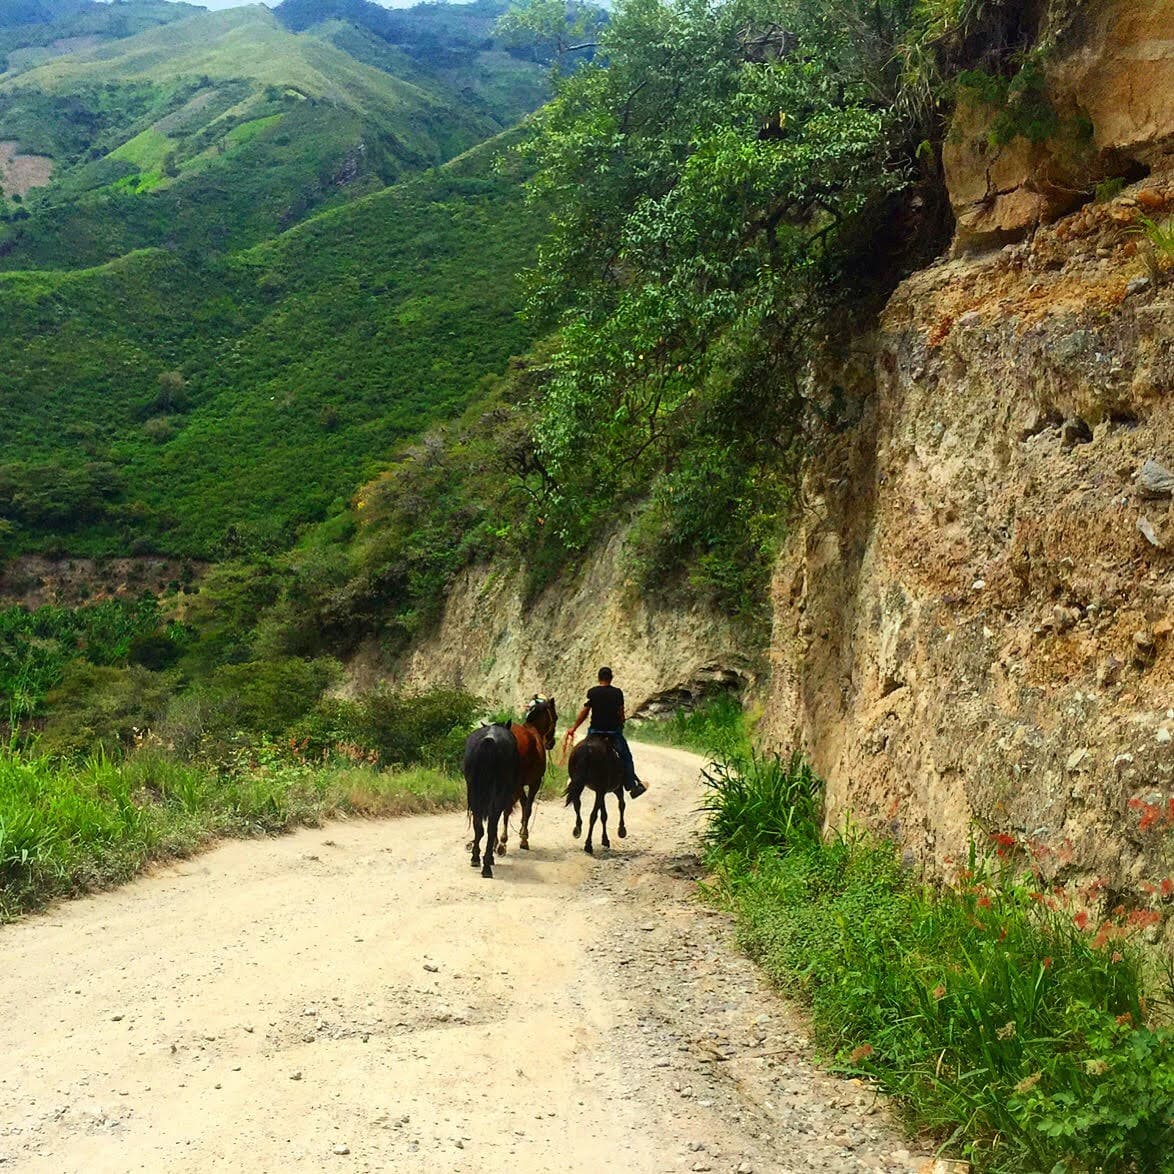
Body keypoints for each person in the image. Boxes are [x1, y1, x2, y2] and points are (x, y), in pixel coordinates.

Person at [563, 666, 647, 798]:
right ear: (611, 678)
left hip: (595, 732)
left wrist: (574, 727)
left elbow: (584, 712)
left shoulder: (593, 692)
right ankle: (632, 786)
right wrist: (622, 720)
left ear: (598, 678)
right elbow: (620, 712)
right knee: (626, 756)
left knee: (580, 751)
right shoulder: (617, 693)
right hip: (612, 733)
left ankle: (572, 779)